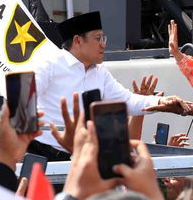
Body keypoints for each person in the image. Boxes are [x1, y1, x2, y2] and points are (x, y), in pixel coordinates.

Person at [29, 11, 189, 161]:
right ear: (78, 41)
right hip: (41, 157)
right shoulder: (49, 65)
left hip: (79, 160)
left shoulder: (100, 73)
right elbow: (22, 102)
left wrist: (163, 102)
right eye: (98, 38)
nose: (103, 45)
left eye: (103, 39)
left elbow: (128, 101)